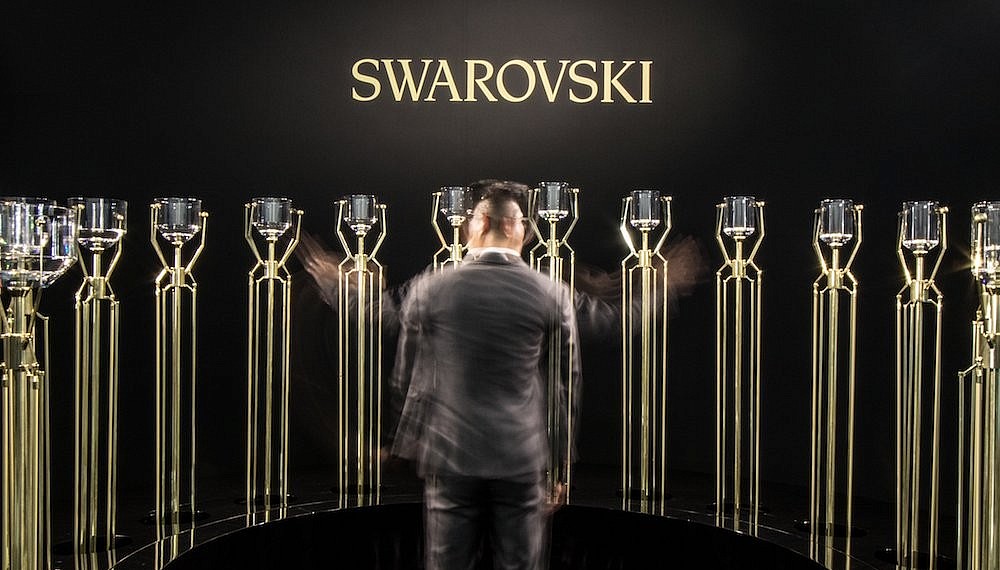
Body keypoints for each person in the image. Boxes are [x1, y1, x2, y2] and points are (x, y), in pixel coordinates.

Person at [390, 180, 581, 570]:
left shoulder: (431, 288)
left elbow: (409, 378)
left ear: (478, 224)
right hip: (519, 457)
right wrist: (560, 466)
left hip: (451, 455)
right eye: (523, 224)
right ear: (512, 226)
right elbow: (564, 386)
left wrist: (406, 441)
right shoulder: (550, 292)